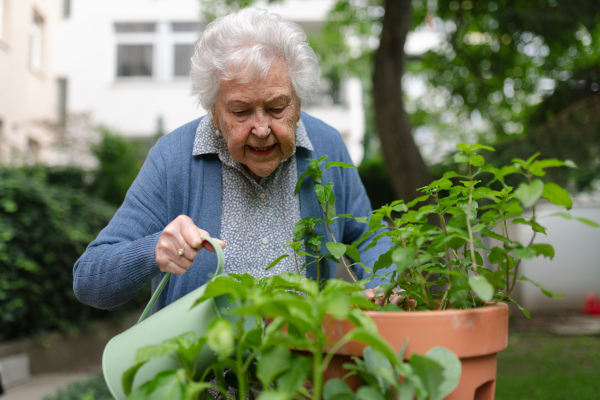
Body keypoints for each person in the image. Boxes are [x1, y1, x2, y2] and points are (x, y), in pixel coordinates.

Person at [73, 7, 391, 312]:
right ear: (214, 112)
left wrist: (384, 284)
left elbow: (368, 235)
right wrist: (154, 250)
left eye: (278, 107)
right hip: (201, 366)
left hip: (306, 360)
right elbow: (89, 280)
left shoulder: (326, 145)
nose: (262, 128)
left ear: (298, 100)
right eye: (240, 111)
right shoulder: (173, 160)